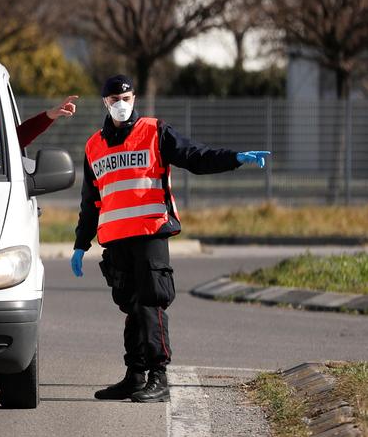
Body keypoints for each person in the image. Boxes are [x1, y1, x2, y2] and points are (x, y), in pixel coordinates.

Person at [70, 75, 269, 403]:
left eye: (126, 98)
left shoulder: (155, 131)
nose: (121, 105)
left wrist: (234, 158)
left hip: (150, 232)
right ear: (104, 103)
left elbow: (195, 156)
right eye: (113, 100)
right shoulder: (94, 146)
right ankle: (135, 376)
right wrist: (81, 243)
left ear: (134, 98)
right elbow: (91, 200)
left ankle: (159, 377)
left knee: (151, 303)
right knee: (131, 307)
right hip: (116, 240)